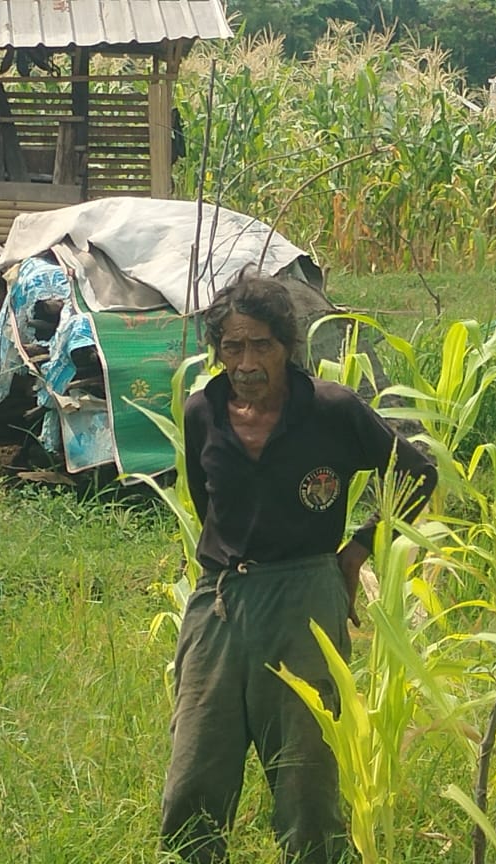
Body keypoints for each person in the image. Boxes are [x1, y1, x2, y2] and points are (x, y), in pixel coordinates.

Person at [160, 273, 437, 863]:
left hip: (306, 596)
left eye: (261, 345)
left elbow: (416, 473)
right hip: (221, 600)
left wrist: (358, 548)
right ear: (217, 352)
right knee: (195, 766)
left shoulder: (330, 410)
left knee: (306, 772)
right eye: (232, 347)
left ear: (287, 346)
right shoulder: (202, 412)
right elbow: (211, 509)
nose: (246, 363)